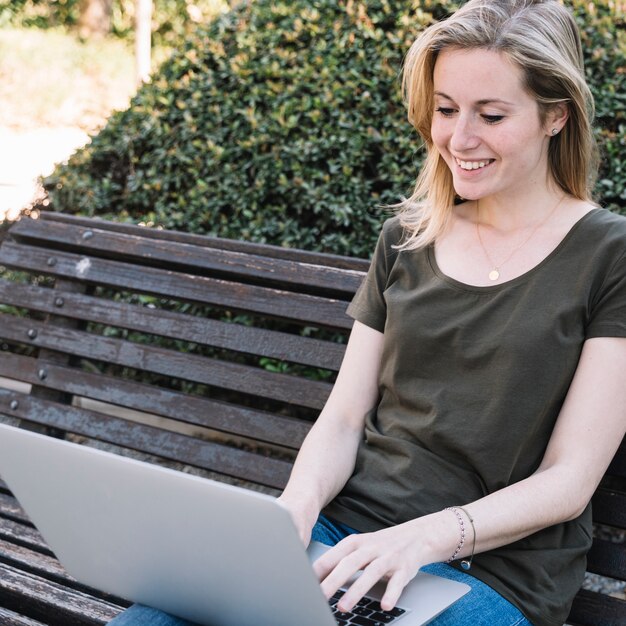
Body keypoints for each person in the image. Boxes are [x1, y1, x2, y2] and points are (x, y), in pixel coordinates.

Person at [108, 0, 626, 624]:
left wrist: (423, 538)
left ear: (555, 116)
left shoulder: (608, 254)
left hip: (488, 570)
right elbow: (345, 417)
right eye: (445, 109)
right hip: (348, 534)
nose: (458, 139)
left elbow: (569, 480)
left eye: (490, 115)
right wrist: (294, 509)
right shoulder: (409, 238)